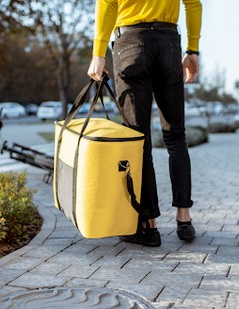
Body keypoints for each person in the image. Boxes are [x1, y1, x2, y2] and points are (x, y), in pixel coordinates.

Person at [88, 0, 202, 247]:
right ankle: (184, 218)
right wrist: (193, 51)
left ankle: (148, 225)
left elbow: (107, 3)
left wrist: (98, 53)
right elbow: (193, 3)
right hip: (169, 44)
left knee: (138, 141)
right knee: (176, 135)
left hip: (130, 43)